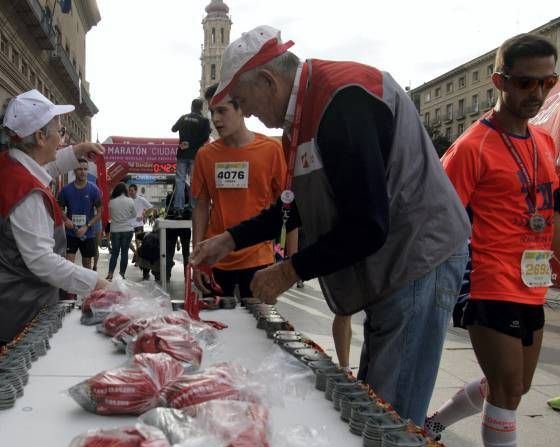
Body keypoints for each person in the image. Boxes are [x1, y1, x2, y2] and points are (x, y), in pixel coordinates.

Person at [191, 25, 471, 425]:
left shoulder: (341, 101)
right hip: (393, 262)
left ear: (268, 81)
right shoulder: (303, 113)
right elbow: (298, 203)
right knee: (376, 397)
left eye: (243, 100)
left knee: (389, 415)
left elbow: (367, 225)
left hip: (417, 257)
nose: (247, 112)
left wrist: (288, 270)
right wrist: (231, 238)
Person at [423, 34, 558, 447]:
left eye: (548, 81)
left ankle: (434, 424)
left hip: (533, 284)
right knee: (506, 393)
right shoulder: (470, 147)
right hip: (488, 282)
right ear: (499, 80)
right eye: (526, 82)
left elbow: (550, 210)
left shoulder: (543, 140)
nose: (538, 93)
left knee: (514, 387)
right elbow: (436, 218)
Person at [0, 89, 108, 350]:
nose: (62, 137)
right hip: (21, 311)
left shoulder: (6, 162)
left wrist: (77, 151)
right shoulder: (27, 194)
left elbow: (42, 166)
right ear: (39, 136)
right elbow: (42, 262)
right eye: (60, 131)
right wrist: (98, 283)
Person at [192, 82, 290, 298]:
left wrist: (289, 265)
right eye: (212, 111)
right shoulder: (205, 155)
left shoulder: (272, 150)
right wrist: (197, 255)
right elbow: (201, 206)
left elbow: (288, 207)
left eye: (222, 110)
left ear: (242, 109)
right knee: (213, 326)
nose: (215, 119)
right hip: (214, 257)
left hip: (259, 259)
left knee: (258, 326)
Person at [59, 159, 102, 270]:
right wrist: (65, 220)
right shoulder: (65, 190)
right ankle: (68, 287)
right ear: (74, 170)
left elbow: (100, 212)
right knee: (68, 264)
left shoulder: (94, 190)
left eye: (85, 169)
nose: (83, 172)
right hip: (70, 233)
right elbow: (59, 209)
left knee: (87, 264)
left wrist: (87, 226)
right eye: (79, 169)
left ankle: (86, 287)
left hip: (87, 233)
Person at [170, 98, 211, 216]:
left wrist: (185, 139)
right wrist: (192, 144)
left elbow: (173, 129)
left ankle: (178, 207)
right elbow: (205, 137)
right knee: (194, 181)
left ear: (191, 107)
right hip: (195, 155)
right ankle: (193, 207)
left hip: (182, 153)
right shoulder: (204, 120)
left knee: (179, 180)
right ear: (201, 108)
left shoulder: (183, 117)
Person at [106, 183, 137, 280]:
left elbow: (110, 215)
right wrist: (126, 217)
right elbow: (134, 215)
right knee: (124, 253)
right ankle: (122, 274)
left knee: (114, 253)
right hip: (128, 230)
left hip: (115, 230)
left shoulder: (111, 202)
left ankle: (110, 274)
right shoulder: (130, 201)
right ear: (125, 191)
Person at [164, 185, 192, 281]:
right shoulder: (188, 196)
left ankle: (167, 275)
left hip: (172, 225)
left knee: (170, 252)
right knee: (186, 253)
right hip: (185, 225)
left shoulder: (170, 196)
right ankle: (187, 276)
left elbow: (167, 209)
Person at [128, 183, 156, 280]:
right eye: (129, 190)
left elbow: (152, 208)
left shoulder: (141, 199)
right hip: (128, 224)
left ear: (136, 191)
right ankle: (136, 254)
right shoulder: (127, 200)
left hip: (138, 225)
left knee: (138, 243)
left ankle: (138, 259)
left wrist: (144, 216)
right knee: (127, 242)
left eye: (132, 190)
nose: (130, 192)